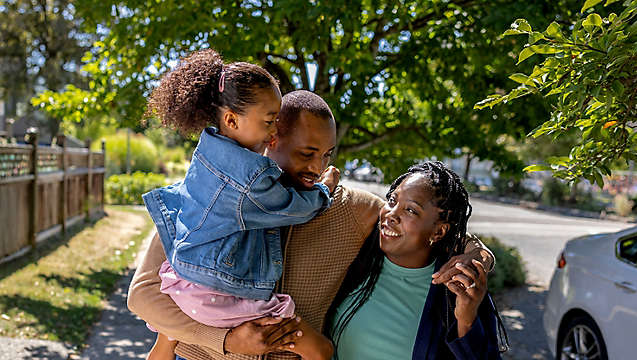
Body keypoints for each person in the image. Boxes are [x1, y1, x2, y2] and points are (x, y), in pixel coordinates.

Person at [128, 90, 496, 360]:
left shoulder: (350, 209)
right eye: (307, 154)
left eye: (327, 155)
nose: (318, 169)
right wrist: (225, 339)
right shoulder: (205, 197)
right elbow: (143, 296)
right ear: (271, 140)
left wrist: (478, 255)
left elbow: (427, 223)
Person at [140, 50, 340, 360]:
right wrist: (324, 190)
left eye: (327, 156)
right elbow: (292, 206)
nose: (273, 133)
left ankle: (166, 338)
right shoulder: (250, 181)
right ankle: (169, 337)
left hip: (186, 287)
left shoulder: (207, 155)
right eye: (270, 123)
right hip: (216, 296)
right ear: (232, 119)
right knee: (321, 350)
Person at [327, 161, 502, 359]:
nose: (391, 214)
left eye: (410, 210)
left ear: (439, 231)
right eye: (392, 201)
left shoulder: (456, 290)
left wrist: (466, 321)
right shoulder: (360, 250)